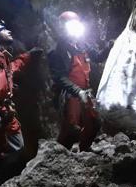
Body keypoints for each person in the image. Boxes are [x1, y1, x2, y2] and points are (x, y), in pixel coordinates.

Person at [48, 11, 112, 152]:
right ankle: (59, 156)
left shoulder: (82, 45)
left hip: (85, 91)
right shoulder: (57, 51)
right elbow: (59, 77)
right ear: (63, 28)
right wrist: (78, 91)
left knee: (94, 123)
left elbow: (98, 57)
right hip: (70, 93)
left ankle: (84, 150)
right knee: (72, 129)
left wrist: (110, 47)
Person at [0, 21, 42, 167]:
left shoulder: (2, 56)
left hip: (5, 111)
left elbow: (12, 68)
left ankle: (2, 175)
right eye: (3, 30)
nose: (8, 31)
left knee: (16, 146)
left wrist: (28, 55)